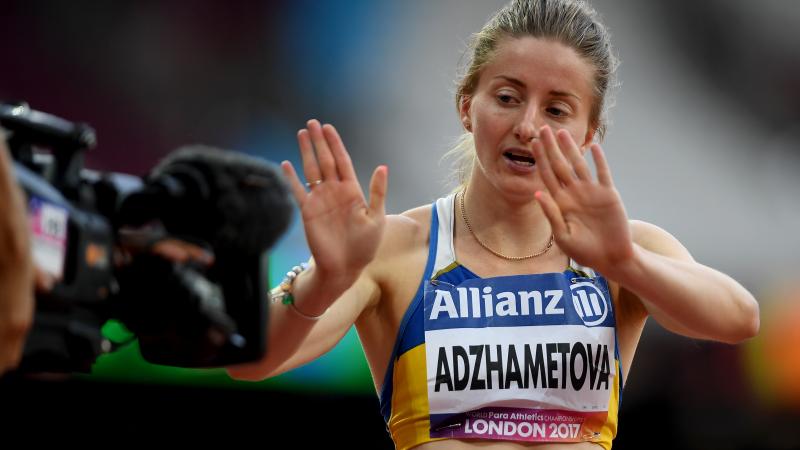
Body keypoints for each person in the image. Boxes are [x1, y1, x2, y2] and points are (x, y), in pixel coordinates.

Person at [228, 0, 760, 448]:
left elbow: (740, 318)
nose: (527, 126)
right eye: (506, 98)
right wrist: (329, 276)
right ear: (467, 107)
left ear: (589, 134)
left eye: (557, 110)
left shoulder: (625, 252)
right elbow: (250, 360)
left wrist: (626, 263)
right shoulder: (393, 248)